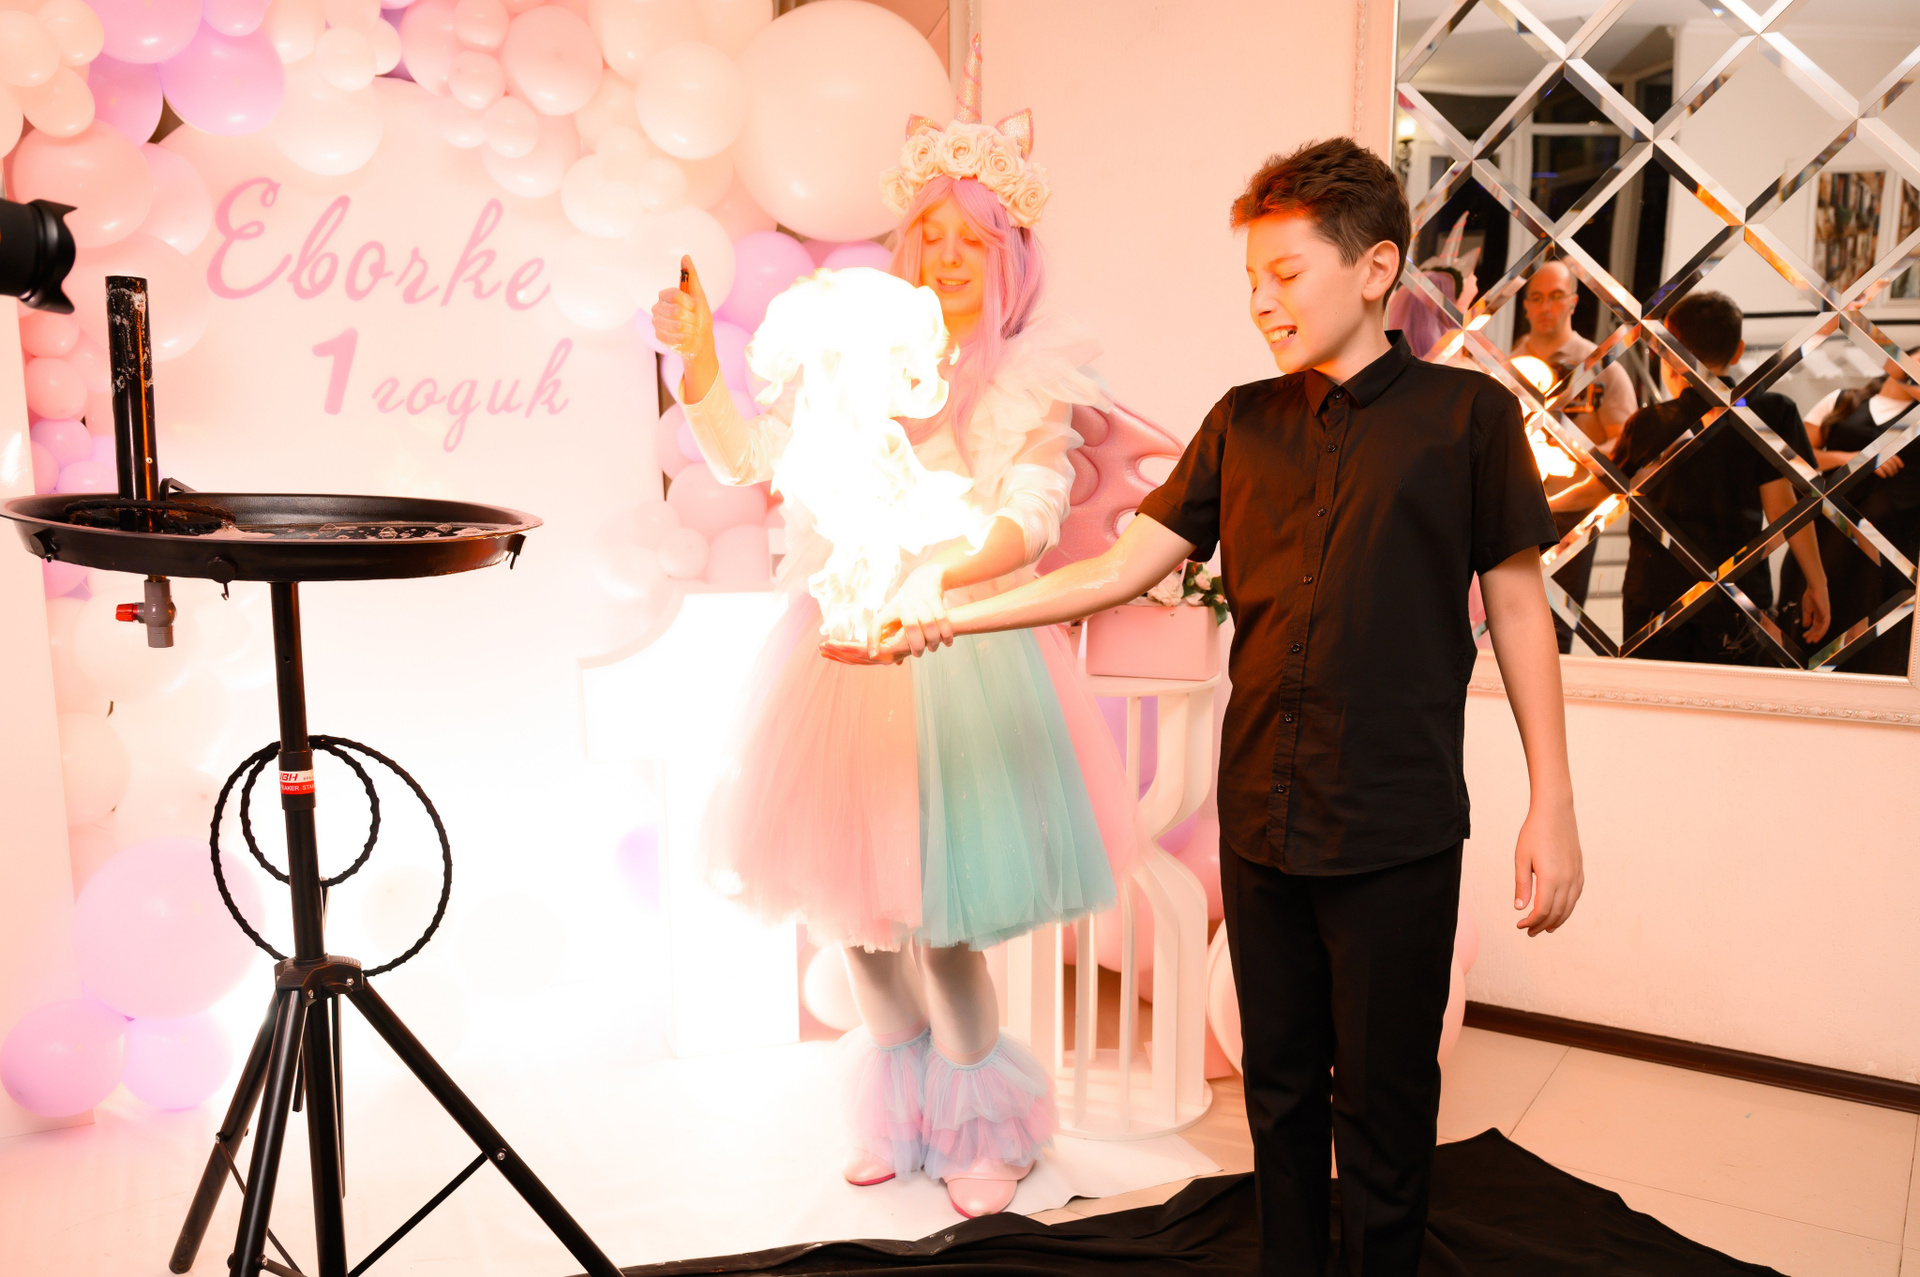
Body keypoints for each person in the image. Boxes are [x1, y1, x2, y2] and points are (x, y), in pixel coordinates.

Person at [836, 137, 1585, 1277]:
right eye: (1251, 279)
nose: (1261, 301)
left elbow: (1521, 610)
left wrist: (1552, 802)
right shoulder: (1241, 420)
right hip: (1263, 817)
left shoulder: (1466, 419)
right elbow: (1118, 568)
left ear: (1376, 268)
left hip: (1398, 824)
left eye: (1286, 274)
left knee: (1384, 1101)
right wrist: (949, 611)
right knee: (1278, 1097)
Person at [650, 41, 1138, 1221]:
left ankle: (985, 1127)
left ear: (1009, 258)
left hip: (962, 660)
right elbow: (747, 461)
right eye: (930, 236)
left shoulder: (1026, 381)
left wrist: (930, 576)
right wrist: (702, 366)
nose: (948, 257)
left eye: (973, 240)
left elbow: (1029, 518)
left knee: (944, 921)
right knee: (853, 916)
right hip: (835, 664)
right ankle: (905, 1111)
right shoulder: (848, 357)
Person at [1551, 291, 1831, 664]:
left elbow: (1596, 491)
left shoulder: (1649, 423)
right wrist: (1817, 582)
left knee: (1655, 696)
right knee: (1727, 698)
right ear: (1737, 351)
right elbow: (1783, 508)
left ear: (1672, 354)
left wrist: (1539, 503)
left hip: (1653, 597)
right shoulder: (1771, 412)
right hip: (1738, 594)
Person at [1514, 259, 1640, 653]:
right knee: (1508, 612)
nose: (1546, 307)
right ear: (1525, 306)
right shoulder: (1506, 364)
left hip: (1574, 511)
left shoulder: (1600, 366)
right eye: (1537, 298)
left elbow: (1625, 441)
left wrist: (1579, 462)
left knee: (1557, 619)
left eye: (1556, 296)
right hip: (1514, 505)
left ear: (1573, 301)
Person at [1786, 348, 1919, 673]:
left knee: (1873, 648)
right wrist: (1854, 459)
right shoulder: (1842, 400)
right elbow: (1796, 457)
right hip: (1826, 534)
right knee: (1806, 630)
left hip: (1889, 550)